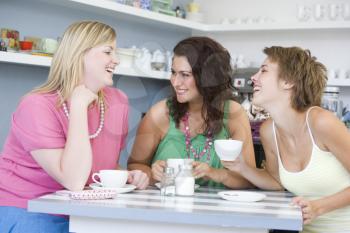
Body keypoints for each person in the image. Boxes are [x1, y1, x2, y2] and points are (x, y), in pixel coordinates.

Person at [0, 21, 149, 233]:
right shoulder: (36, 105)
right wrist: (79, 105)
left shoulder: (118, 101)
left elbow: (100, 164)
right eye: (108, 51)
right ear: (80, 54)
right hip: (28, 208)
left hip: (82, 211)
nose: (116, 60)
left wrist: (126, 175)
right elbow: (74, 180)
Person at [222, 46, 350, 232]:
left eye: (263, 70)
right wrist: (241, 167)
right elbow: (276, 182)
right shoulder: (269, 131)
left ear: (288, 81)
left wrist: (319, 207)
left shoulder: (321, 122)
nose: (253, 78)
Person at [128, 36, 255, 188]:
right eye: (173, 72)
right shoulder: (160, 113)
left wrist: (217, 174)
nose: (175, 82)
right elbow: (135, 166)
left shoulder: (233, 113)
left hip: (216, 210)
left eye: (185, 75)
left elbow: (249, 179)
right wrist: (153, 175)